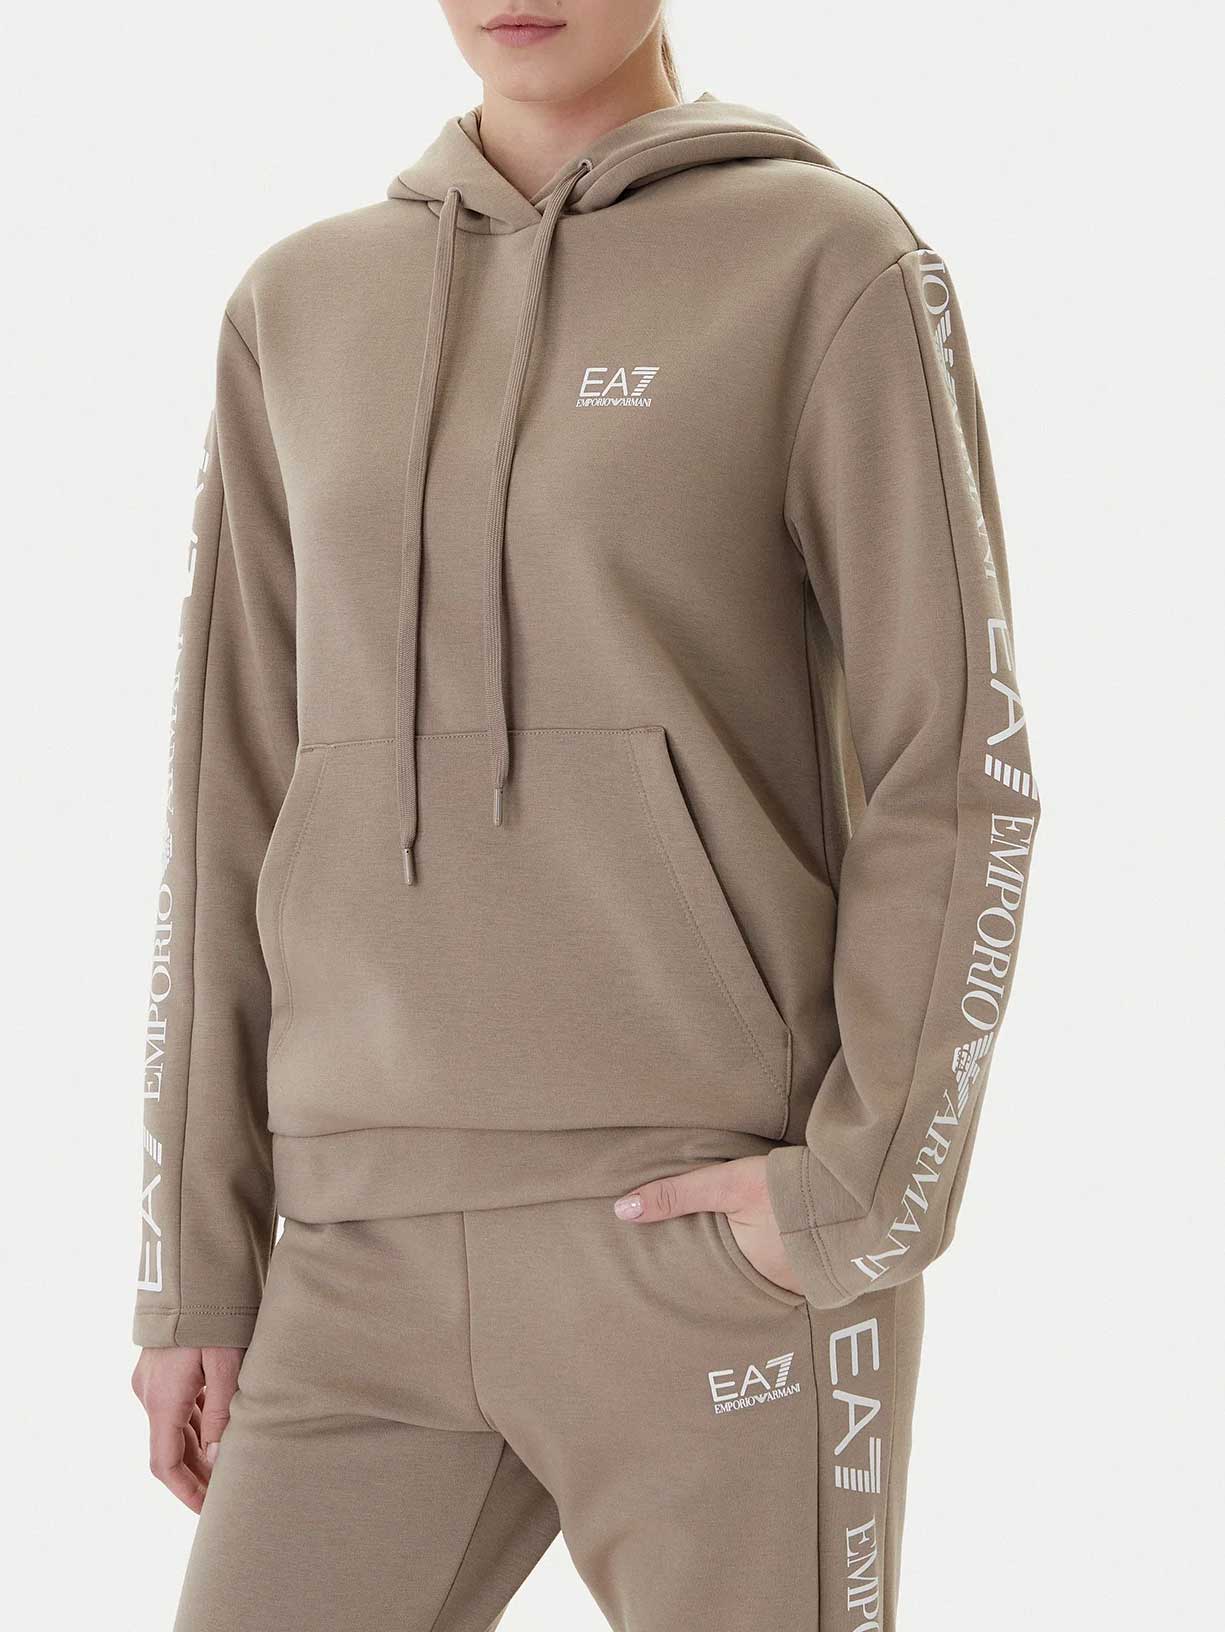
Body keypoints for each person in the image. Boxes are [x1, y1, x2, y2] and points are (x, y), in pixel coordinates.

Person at [130, 3, 1040, 1627]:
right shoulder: (298, 304)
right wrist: (199, 1259)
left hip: (699, 1235)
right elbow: (232, 793)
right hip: (350, 1246)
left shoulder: (822, 258)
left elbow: (952, 759)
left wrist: (857, 1192)